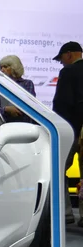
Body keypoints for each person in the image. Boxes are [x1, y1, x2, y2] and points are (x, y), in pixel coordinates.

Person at [52, 41, 83, 225]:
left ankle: (65, 213)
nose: (62, 63)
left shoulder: (68, 72)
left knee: (59, 168)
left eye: (62, 59)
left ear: (69, 55)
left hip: (73, 129)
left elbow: (62, 105)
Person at [0, 55, 36, 123]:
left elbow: (29, 107)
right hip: (4, 127)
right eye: (1, 67)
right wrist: (6, 109)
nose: (2, 70)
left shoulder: (27, 84)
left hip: (23, 127)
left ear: (14, 67)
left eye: (5, 67)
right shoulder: (0, 86)